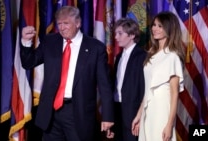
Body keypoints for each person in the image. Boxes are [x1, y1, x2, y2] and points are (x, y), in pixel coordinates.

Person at [20, 6, 114, 141]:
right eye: (59, 24)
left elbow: (105, 85)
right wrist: (26, 41)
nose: (62, 28)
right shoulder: (50, 41)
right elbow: (28, 63)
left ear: (78, 23)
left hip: (78, 113)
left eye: (66, 23)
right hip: (51, 113)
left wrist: (108, 117)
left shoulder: (95, 48)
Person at [131, 11, 185, 141]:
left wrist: (169, 124)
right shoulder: (151, 55)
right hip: (147, 110)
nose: (155, 28)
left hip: (162, 110)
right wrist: (139, 115)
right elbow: (147, 90)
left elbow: (174, 94)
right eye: (154, 25)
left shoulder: (172, 57)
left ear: (169, 28)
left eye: (160, 26)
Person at [112, 18, 146, 141]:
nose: (116, 37)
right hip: (117, 108)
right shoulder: (119, 56)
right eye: (115, 33)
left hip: (133, 110)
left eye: (120, 33)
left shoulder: (142, 56)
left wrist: (140, 114)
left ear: (132, 35)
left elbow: (143, 87)